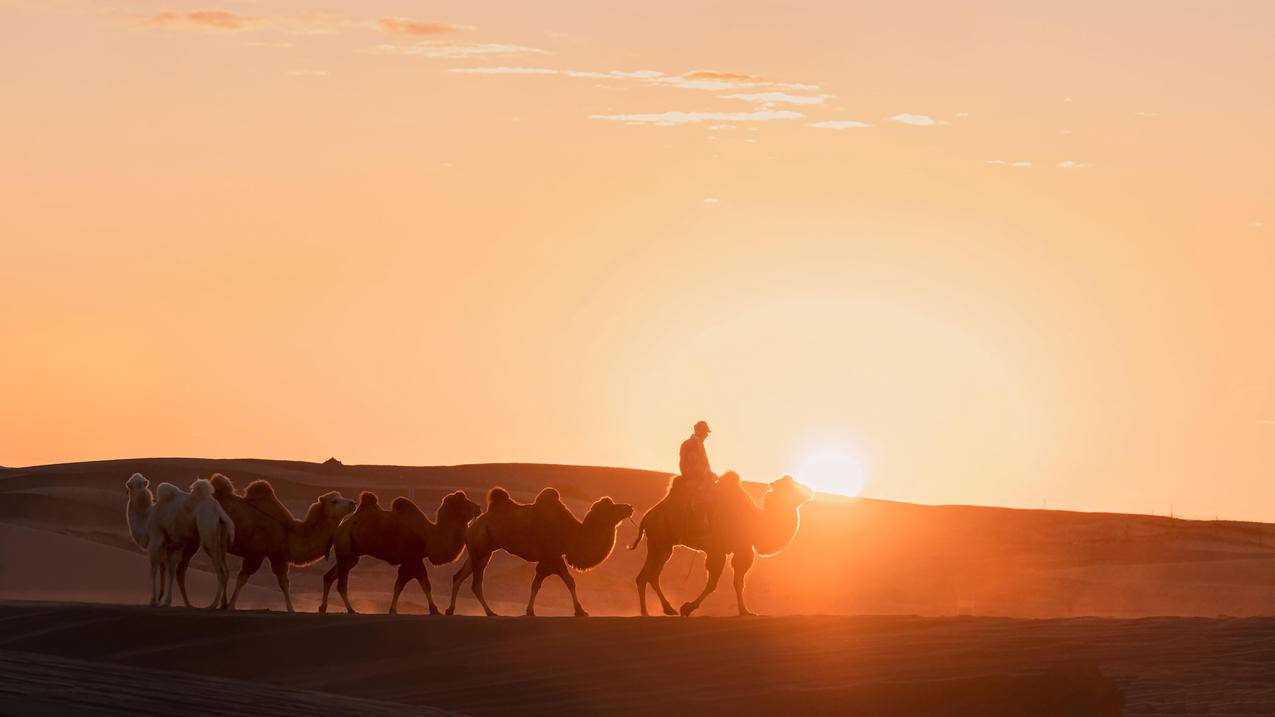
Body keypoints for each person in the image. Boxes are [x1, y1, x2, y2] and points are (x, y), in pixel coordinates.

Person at [678, 420, 716, 537]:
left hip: (700, 478)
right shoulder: (690, 444)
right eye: (705, 432)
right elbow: (694, 463)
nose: (707, 435)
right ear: (699, 431)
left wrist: (710, 474)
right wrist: (708, 474)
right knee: (706, 497)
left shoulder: (698, 444)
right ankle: (699, 525)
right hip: (692, 479)